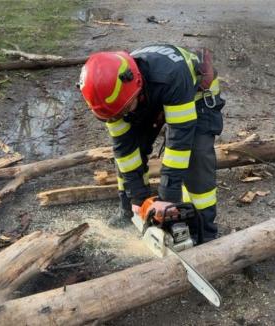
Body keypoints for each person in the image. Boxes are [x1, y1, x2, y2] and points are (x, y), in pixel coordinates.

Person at [79, 44, 225, 242]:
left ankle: (205, 232)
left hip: (195, 94)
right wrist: (139, 199)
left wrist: (167, 196)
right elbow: (125, 149)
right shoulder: (111, 99)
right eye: (118, 114)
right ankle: (128, 214)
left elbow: (180, 141)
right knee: (126, 159)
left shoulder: (170, 75)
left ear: (136, 84)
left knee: (196, 156)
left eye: (126, 109)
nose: (124, 115)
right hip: (148, 96)